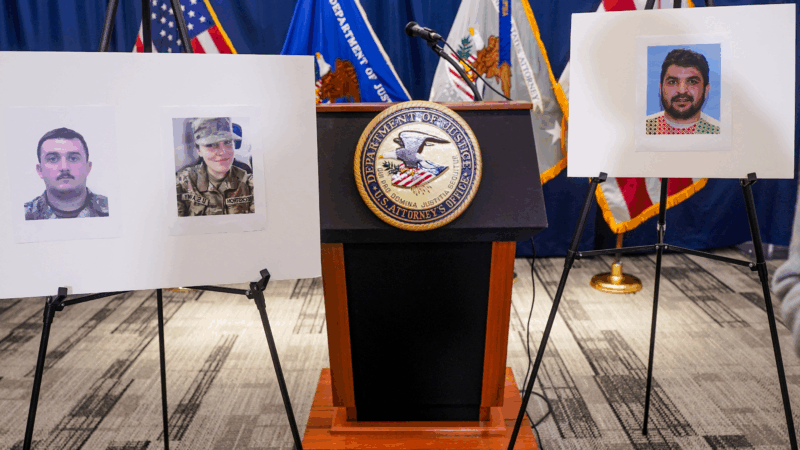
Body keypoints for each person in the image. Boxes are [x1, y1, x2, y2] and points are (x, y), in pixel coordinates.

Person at [176, 117, 255, 216]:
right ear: (199, 150)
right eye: (211, 144)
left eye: (228, 142)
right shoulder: (181, 184)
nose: (222, 151)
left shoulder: (249, 183)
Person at [24, 127, 108, 220]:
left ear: (88, 167)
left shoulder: (113, 209)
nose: (64, 167)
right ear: (40, 170)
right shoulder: (23, 216)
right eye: (52, 159)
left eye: (73, 158)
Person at [645, 48, 720, 135]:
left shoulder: (719, 133)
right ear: (661, 88)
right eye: (672, 82)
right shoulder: (642, 129)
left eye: (692, 82)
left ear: (706, 90)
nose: (682, 91)